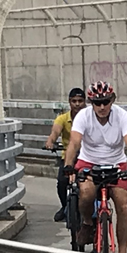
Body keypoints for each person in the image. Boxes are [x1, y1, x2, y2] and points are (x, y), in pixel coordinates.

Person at [63, 81, 127, 253]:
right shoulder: (83, 116)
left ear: (112, 100)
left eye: (105, 102)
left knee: (123, 205)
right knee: (85, 193)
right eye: (97, 103)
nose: (101, 107)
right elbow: (74, 142)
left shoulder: (122, 116)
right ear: (91, 103)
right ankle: (87, 222)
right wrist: (69, 166)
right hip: (89, 161)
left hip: (116, 163)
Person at [43, 87, 86, 222]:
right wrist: (51, 142)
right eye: (74, 101)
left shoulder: (90, 118)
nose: (77, 104)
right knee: (62, 181)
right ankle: (65, 206)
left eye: (80, 101)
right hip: (68, 156)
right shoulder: (62, 118)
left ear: (85, 102)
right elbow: (55, 132)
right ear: (69, 102)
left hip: (87, 156)